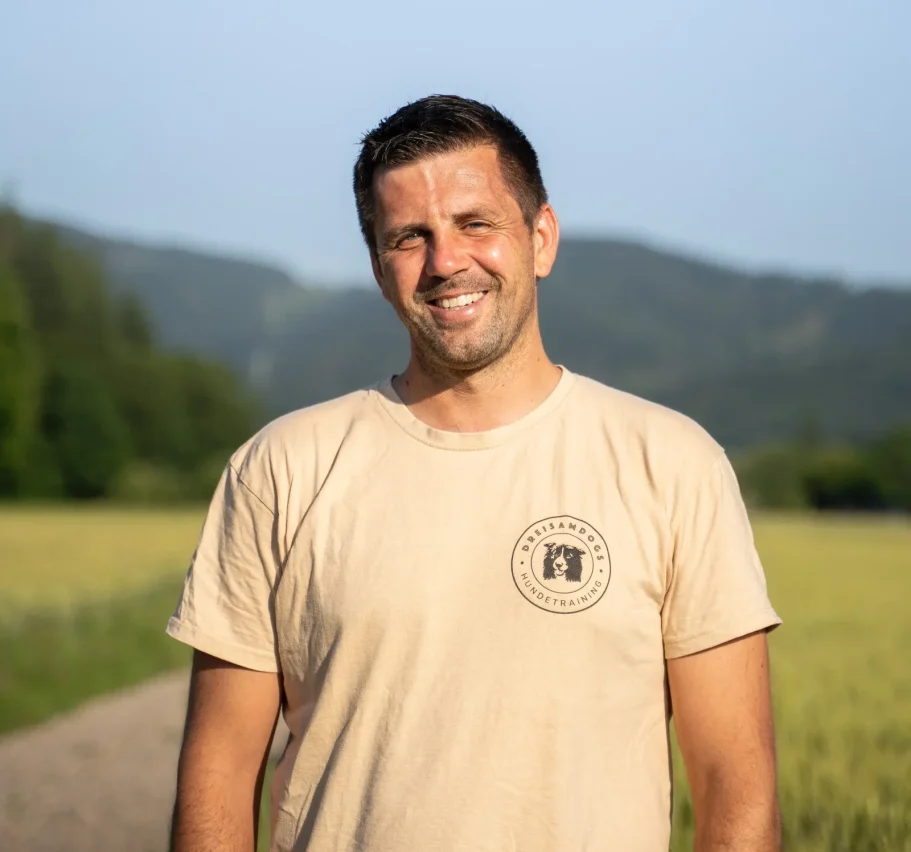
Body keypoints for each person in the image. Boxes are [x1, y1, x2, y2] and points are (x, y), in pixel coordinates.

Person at [166, 94, 783, 852]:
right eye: (408, 237)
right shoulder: (279, 469)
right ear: (377, 266)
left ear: (541, 238)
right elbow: (219, 772)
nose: (445, 261)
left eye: (475, 224)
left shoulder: (673, 464)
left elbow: (735, 787)